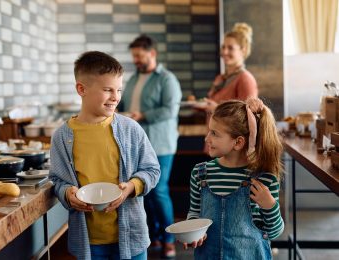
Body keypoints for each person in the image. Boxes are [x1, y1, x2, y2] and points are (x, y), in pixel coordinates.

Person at [49, 51, 161, 260]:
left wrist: (131, 187)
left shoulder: (131, 129)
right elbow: (56, 180)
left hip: (132, 236)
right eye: (107, 89)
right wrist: (68, 193)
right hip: (89, 242)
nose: (116, 97)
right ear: (81, 89)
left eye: (118, 89)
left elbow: (152, 170)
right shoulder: (62, 137)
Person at [183, 98, 284, 259]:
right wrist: (194, 231)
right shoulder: (200, 173)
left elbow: (273, 232)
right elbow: (195, 212)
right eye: (209, 131)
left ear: (238, 142)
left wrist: (270, 205)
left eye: (214, 133)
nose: (206, 138)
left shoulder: (265, 179)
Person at [118, 34, 182, 258]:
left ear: (152, 53)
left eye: (139, 55)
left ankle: (169, 239)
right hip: (136, 146)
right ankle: (154, 234)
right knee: (144, 191)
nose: (135, 60)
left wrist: (142, 115)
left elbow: (170, 110)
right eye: (133, 56)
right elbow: (123, 104)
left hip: (161, 144)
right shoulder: (134, 79)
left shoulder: (167, 79)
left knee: (159, 191)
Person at [197, 23, 258, 113]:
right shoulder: (220, 78)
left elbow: (248, 115)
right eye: (223, 47)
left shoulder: (246, 79)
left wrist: (217, 109)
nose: (224, 52)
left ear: (243, 50)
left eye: (230, 48)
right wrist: (199, 105)